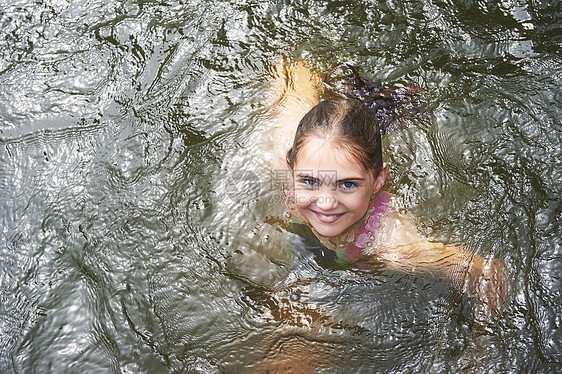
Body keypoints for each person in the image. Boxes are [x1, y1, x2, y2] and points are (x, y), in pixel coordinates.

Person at [268, 60, 509, 320]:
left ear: (379, 180)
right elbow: (292, 69)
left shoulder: (390, 241)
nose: (326, 203)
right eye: (310, 181)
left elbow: (489, 272)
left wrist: (479, 350)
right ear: (292, 169)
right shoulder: (279, 162)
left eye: (348, 184)